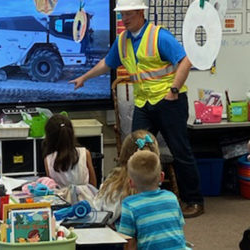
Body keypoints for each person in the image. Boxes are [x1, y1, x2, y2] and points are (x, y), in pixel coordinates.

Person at [70, 0, 203, 218]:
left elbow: (186, 61)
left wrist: (174, 90)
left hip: (169, 102)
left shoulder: (159, 36)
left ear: (141, 12)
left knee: (180, 151)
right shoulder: (122, 41)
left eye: (128, 15)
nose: (124, 19)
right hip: (144, 104)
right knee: (134, 150)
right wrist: (84, 77)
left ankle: (194, 201)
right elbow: (107, 63)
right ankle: (133, 197)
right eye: (122, 15)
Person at [118, 150, 187, 249]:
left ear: (131, 182)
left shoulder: (129, 204)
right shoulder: (171, 197)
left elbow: (128, 241)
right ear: (162, 177)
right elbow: (178, 227)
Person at [93, 130, 159, 227]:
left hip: (116, 236)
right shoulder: (164, 197)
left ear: (124, 155)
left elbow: (97, 210)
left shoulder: (112, 184)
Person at [42, 114, 97, 205]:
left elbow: (51, 186)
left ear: (49, 137)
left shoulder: (48, 159)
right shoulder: (85, 153)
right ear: (71, 133)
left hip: (61, 204)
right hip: (87, 202)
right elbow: (93, 184)